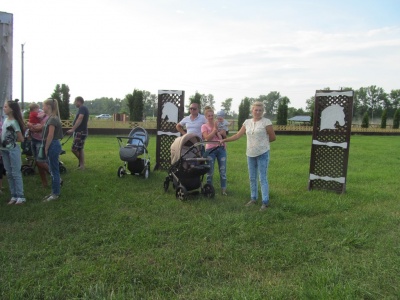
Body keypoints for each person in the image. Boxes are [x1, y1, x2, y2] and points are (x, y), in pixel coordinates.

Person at [221, 101, 276, 211]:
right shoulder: (247, 122)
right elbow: (237, 135)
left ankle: (265, 202)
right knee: (252, 177)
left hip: (263, 153)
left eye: (260, 110)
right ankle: (253, 198)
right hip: (250, 153)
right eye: (256, 110)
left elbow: (273, 137)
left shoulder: (266, 122)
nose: (258, 112)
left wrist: (262, 144)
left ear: (263, 111)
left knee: (263, 178)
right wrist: (225, 140)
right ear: (252, 111)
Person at [1, 100, 26, 205]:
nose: (4, 108)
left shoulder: (14, 122)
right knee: (9, 173)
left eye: (6, 107)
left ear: (11, 109)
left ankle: (20, 196)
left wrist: (10, 140)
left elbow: (21, 138)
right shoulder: (5, 120)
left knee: (16, 173)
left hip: (13, 150)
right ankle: (14, 195)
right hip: (4, 150)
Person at [201, 107, 228, 195]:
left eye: (212, 115)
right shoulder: (204, 126)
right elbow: (207, 138)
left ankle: (224, 190)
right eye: (209, 116)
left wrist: (224, 136)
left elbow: (224, 134)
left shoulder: (219, 124)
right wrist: (214, 130)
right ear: (206, 117)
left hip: (221, 149)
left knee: (223, 171)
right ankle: (209, 189)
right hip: (210, 150)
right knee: (210, 171)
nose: (211, 117)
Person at [42, 98, 63, 202]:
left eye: (44, 105)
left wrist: (46, 148)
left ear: (49, 107)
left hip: (53, 145)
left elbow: (50, 135)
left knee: (54, 171)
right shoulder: (52, 118)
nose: (43, 107)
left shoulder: (52, 119)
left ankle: (55, 194)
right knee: (52, 169)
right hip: (54, 144)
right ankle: (54, 191)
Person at [27, 105, 51, 188]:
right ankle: (44, 183)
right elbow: (29, 123)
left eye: (44, 106)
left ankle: (55, 176)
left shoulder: (48, 117)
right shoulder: (37, 113)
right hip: (34, 139)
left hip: (41, 141)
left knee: (41, 161)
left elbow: (40, 128)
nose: (42, 108)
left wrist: (32, 126)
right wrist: (31, 125)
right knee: (38, 162)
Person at [66, 96, 89, 170]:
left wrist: (73, 129)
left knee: (74, 149)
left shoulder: (82, 108)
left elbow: (80, 118)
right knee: (80, 149)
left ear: (79, 101)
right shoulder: (82, 109)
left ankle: (82, 163)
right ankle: (82, 166)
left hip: (81, 132)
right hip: (81, 131)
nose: (74, 103)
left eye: (75, 101)